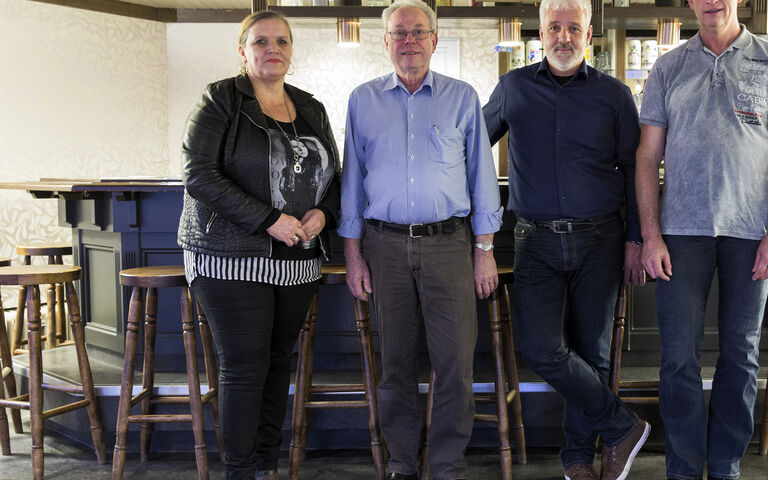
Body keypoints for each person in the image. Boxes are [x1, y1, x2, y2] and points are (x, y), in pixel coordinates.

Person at [635, 0, 768, 479]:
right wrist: (650, 235)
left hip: (752, 234)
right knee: (678, 360)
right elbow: (647, 157)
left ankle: (726, 466)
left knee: (741, 355)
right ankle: (684, 469)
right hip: (680, 234)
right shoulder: (668, 67)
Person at [483, 0, 650, 478]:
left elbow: (635, 171)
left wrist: (637, 238)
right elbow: (469, 148)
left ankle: (578, 460)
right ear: (540, 31)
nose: (562, 36)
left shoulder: (616, 95)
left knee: (593, 352)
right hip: (534, 240)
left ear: (589, 32)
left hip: (602, 238)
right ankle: (622, 425)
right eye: (554, 27)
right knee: (540, 348)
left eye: (572, 27)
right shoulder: (513, 87)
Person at [337, 1, 503, 479]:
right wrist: (353, 256)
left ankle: (448, 464)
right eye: (399, 33)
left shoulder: (462, 98)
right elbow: (352, 183)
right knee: (396, 365)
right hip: (383, 247)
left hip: (450, 244)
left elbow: (482, 180)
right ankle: (402, 462)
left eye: (418, 32)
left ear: (433, 38)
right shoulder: (361, 100)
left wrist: (484, 251)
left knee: (454, 364)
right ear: (385, 41)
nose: (409, 41)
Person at [177, 10, 340, 480]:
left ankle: (265, 466)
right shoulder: (220, 99)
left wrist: (324, 213)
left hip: (296, 263)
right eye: (262, 42)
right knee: (245, 367)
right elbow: (198, 174)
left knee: (276, 364)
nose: (274, 50)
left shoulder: (310, 106)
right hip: (228, 257)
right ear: (243, 51)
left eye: (282, 42)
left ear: (292, 51)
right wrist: (268, 219)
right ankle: (240, 471)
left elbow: (335, 176)